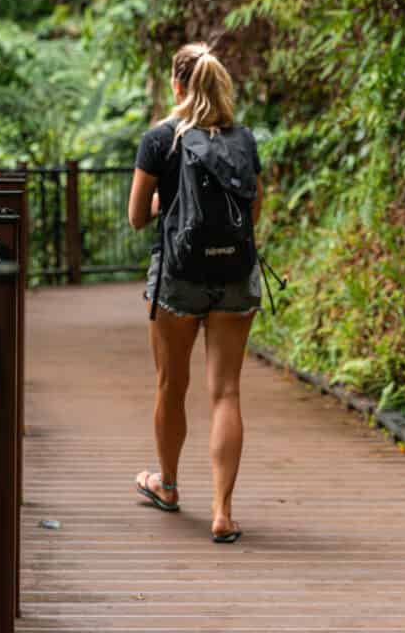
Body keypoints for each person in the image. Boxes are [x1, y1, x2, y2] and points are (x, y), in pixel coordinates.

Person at [128, 42, 263, 543]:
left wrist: (167, 200)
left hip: (177, 280)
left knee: (171, 385)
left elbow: (138, 217)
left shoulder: (159, 140)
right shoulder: (243, 140)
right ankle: (223, 511)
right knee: (226, 391)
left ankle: (167, 486)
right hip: (234, 278)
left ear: (177, 85)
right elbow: (252, 214)